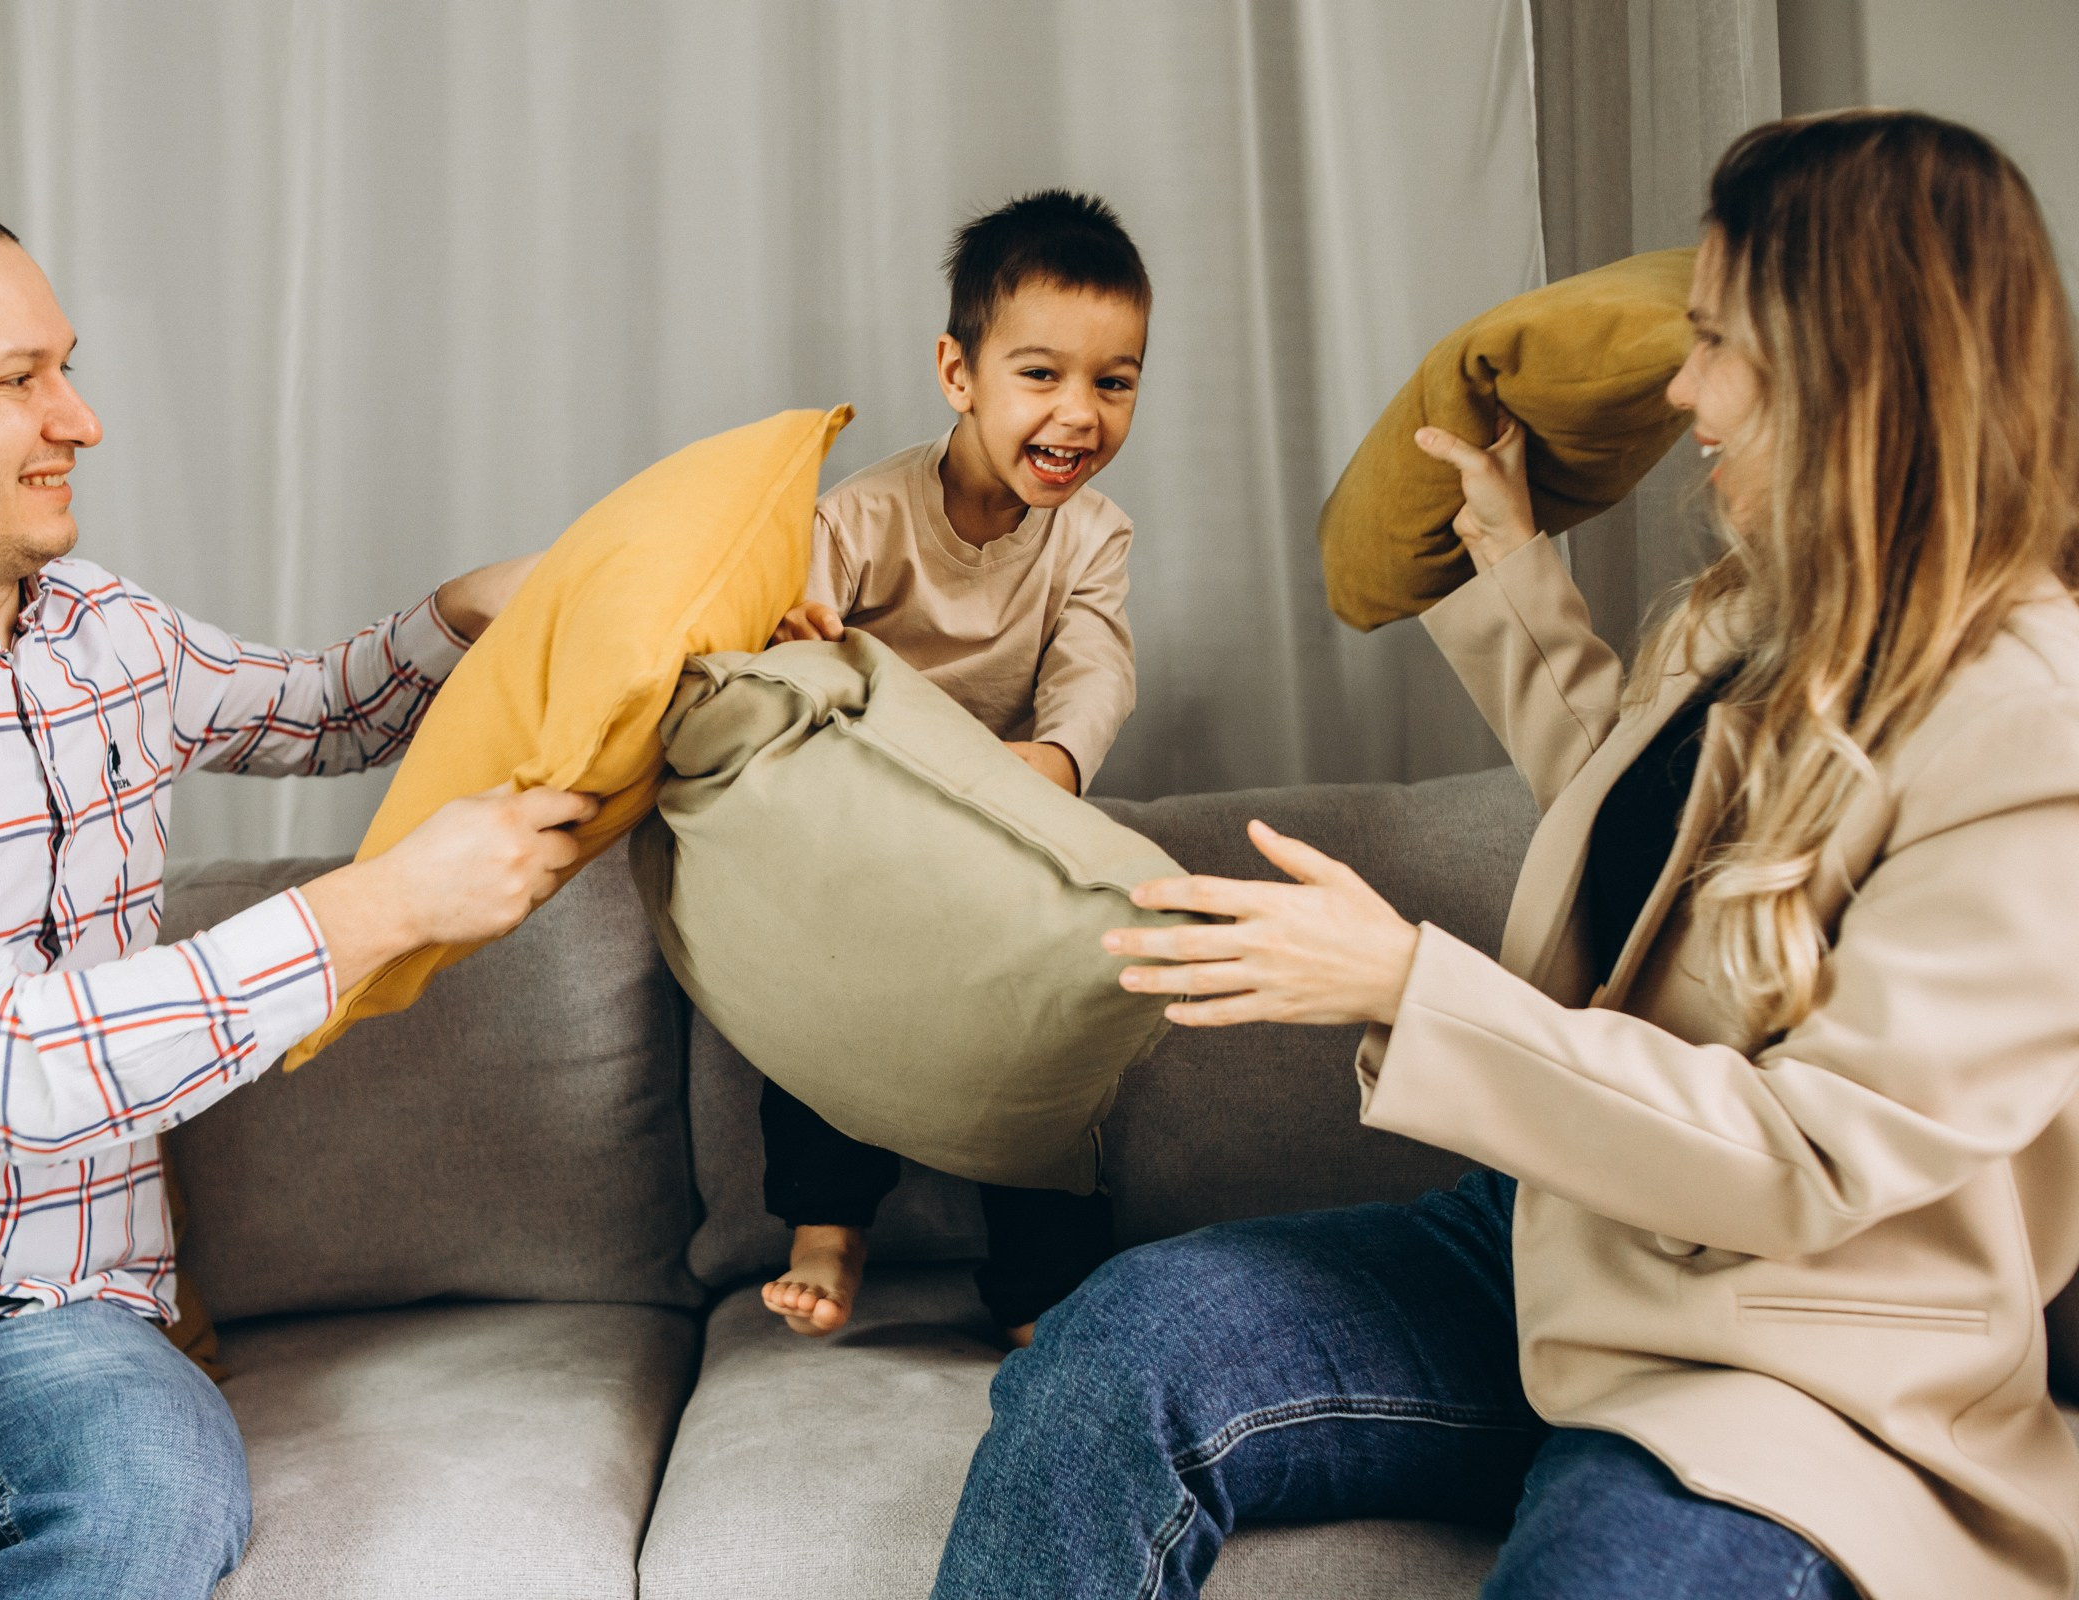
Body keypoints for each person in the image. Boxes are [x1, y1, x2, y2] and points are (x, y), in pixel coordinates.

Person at [931, 110, 2079, 1600]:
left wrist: (1411, 986)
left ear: (1844, 364)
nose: (1684, 385)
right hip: (1557, 1248)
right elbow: (1656, 824)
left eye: (1719, 340)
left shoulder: (2031, 724)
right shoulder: (1774, 614)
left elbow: (1815, 1158)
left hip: (1786, 1360)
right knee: (1120, 1346)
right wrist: (1506, 562)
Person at [0, 200, 596, 1598]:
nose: (83, 419)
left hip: (56, 1321)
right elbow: (2, 1062)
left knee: (152, 1510)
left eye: (67, 366)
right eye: (19, 380)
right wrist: (382, 908)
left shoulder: (107, 631)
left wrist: (474, 611)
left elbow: (326, 713)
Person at [757, 190, 1148, 1344]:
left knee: (1038, 1029)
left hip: (1002, 816)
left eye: (1113, 381)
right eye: (1042, 375)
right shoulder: (867, 514)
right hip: (869, 817)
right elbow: (798, 639)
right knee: (821, 984)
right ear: (957, 372)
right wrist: (804, 649)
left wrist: (1055, 761)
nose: (1078, 414)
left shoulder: (1093, 535)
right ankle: (829, 1226)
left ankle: (1042, 1290)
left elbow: (1097, 666)